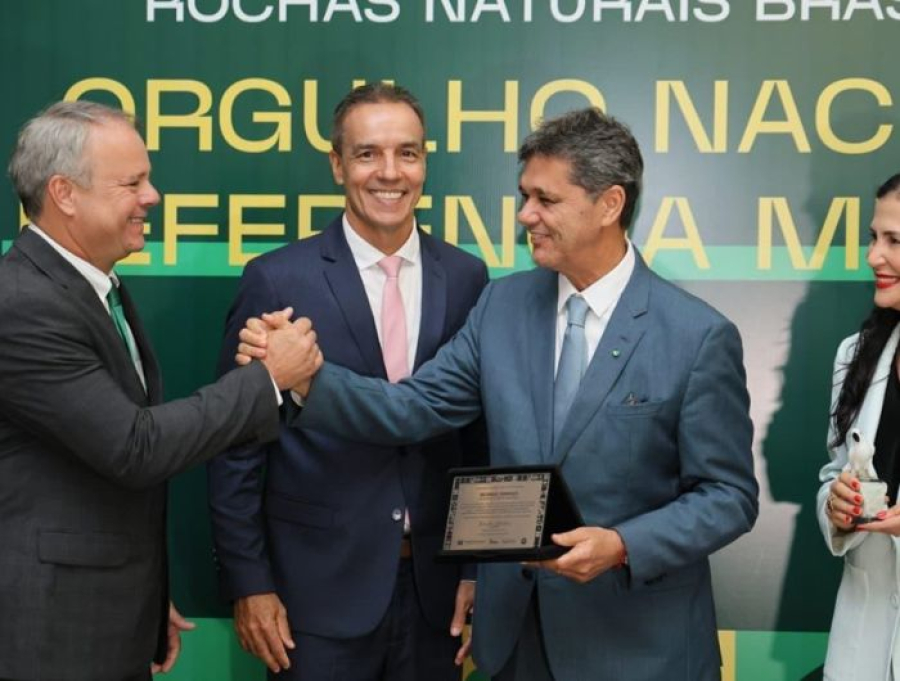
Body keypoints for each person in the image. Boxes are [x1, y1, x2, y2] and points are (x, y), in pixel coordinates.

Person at [241, 107, 759, 681]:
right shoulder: (502, 306)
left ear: (610, 205)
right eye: (523, 196)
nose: (525, 215)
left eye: (545, 200)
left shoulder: (697, 335)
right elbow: (413, 407)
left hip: (637, 648)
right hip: (515, 641)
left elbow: (728, 495)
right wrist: (308, 376)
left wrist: (621, 544)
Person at [0, 100, 319, 681]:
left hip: (103, 615)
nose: (153, 196)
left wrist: (142, 600)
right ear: (65, 194)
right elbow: (133, 447)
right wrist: (269, 378)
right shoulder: (23, 304)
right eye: (133, 182)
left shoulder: (91, 285)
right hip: (50, 640)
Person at [207, 83, 489, 680]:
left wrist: (475, 569)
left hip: (438, 599)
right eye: (367, 154)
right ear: (337, 164)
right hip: (314, 599)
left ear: (424, 162)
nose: (390, 173)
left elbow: (477, 438)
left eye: (407, 153)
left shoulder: (467, 276)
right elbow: (236, 447)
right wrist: (249, 582)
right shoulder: (277, 279)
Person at [818, 173, 900, 681]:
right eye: (874, 237)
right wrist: (836, 504)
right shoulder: (855, 354)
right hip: (862, 645)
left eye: (895, 241)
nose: (873, 256)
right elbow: (833, 472)